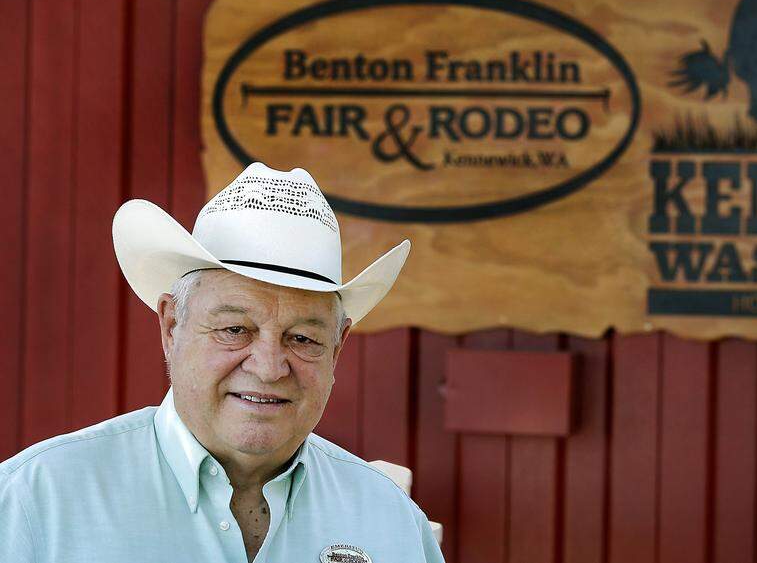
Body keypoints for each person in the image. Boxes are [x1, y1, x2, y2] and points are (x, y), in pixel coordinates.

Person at [0, 163, 443, 562]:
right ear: (172, 326)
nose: (270, 367)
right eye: (235, 330)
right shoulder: (36, 501)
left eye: (303, 338)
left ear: (337, 348)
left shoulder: (392, 521)